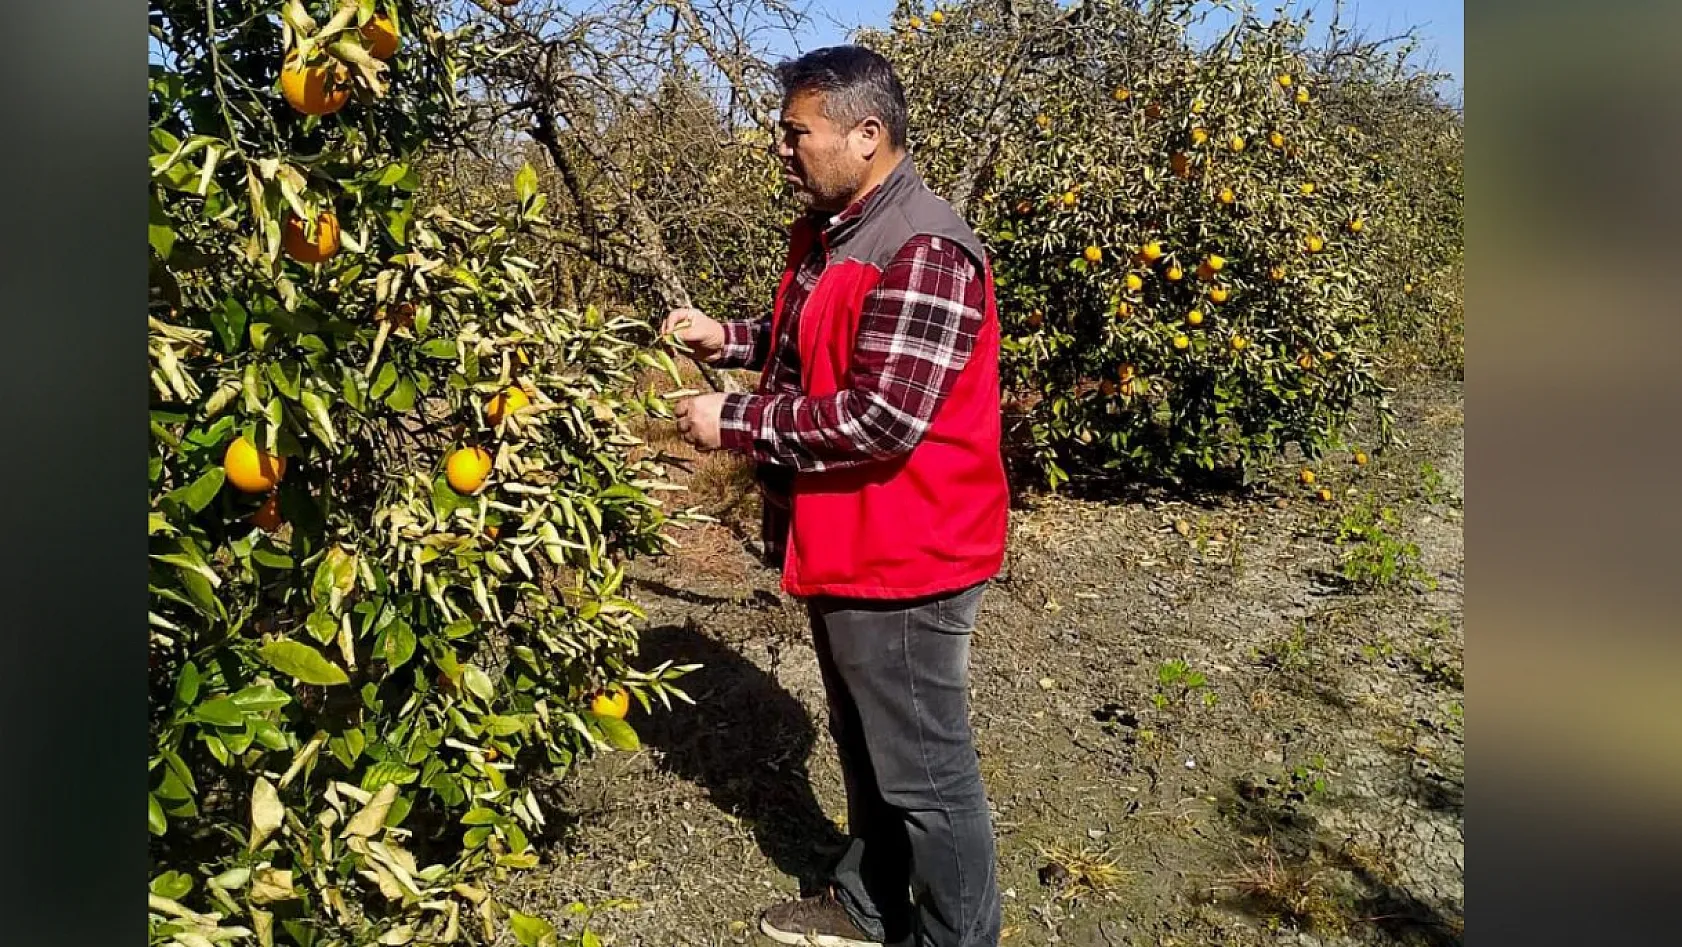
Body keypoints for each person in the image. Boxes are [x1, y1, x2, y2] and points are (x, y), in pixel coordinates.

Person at [662, 44, 1008, 947]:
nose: (782, 150)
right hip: (848, 539)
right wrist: (726, 336)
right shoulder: (836, 229)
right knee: (869, 745)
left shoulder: (925, 248)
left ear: (867, 133)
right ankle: (869, 899)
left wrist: (733, 425)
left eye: (795, 134)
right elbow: (804, 339)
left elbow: (881, 416)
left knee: (925, 771)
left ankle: (954, 936)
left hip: (908, 550)